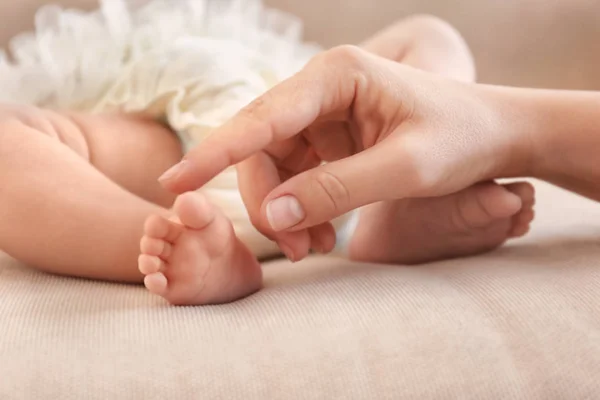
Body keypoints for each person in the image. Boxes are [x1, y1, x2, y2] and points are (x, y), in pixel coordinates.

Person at [0, 0, 536, 306]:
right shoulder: (91, 71)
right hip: (169, 181)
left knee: (430, 33)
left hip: (326, 144)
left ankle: (391, 205)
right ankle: (174, 242)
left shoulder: (287, 66)